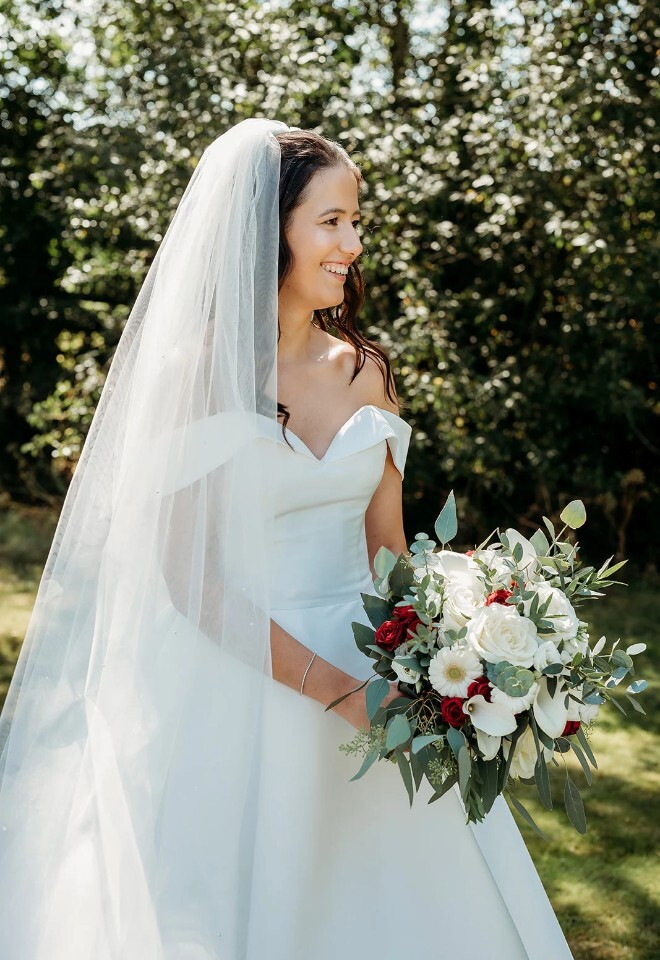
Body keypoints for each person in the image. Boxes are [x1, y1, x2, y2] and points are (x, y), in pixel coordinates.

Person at [0, 118, 573, 959]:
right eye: (331, 221)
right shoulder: (194, 375)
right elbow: (189, 579)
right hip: (244, 682)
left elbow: (387, 545)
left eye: (357, 222)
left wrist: (466, 642)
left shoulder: (365, 370)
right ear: (272, 232)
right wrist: (343, 694)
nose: (352, 243)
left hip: (382, 682)